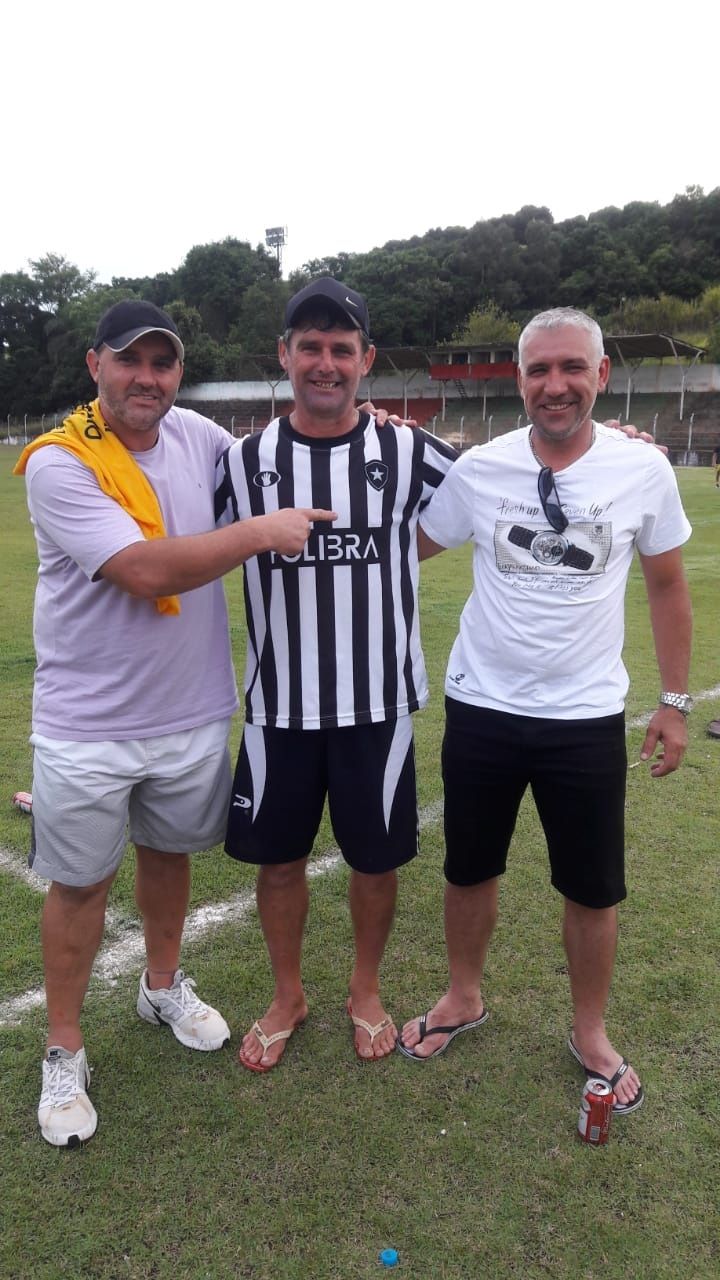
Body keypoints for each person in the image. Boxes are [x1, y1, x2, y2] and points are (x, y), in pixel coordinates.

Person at [16, 299, 334, 1147]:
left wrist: (364, 427)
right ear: (96, 365)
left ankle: (161, 987)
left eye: (163, 364)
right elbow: (145, 568)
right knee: (80, 886)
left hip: (190, 711)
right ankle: (63, 1047)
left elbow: (287, 461)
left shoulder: (199, 436)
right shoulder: (61, 460)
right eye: (130, 361)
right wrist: (256, 534)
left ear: (178, 374)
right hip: (88, 725)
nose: (147, 378)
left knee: (168, 857)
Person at [398, 307, 692, 1117]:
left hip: (586, 719)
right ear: (519, 378)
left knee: (593, 888)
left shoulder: (642, 470)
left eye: (571, 368)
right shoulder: (481, 468)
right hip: (483, 706)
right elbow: (407, 547)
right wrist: (377, 444)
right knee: (468, 868)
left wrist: (673, 702)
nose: (554, 385)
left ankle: (590, 1030)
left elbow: (668, 585)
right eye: (538, 370)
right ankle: (463, 997)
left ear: (601, 375)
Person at [217, 278, 457, 1069]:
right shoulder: (243, 462)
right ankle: (287, 994)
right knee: (279, 862)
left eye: (342, 349)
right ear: (284, 355)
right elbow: (188, 541)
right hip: (279, 708)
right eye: (311, 347)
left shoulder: (407, 449)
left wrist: (617, 439)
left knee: (375, 862)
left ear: (367, 360)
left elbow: (497, 489)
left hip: (377, 705)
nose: (326, 363)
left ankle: (365, 989)